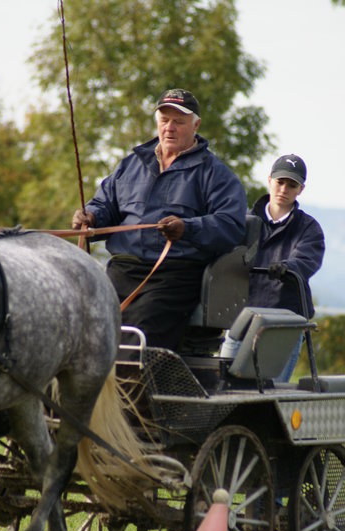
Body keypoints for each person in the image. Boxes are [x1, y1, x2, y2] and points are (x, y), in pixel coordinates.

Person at [72, 88, 247, 350]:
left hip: (174, 278)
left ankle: (131, 390)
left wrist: (188, 229)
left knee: (135, 336)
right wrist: (92, 216)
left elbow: (231, 226)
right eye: (164, 120)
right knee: (82, 324)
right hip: (122, 270)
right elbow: (105, 205)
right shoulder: (130, 164)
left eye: (178, 121)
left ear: (196, 125)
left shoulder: (215, 174)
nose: (169, 128)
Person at [220, 153, 325, 382]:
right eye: (280, 182)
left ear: (301, 189)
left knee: (270, 393)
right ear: (270, 180)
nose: (284, 189)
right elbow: (227, 258)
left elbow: (306, 261)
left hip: (284, 325)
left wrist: (287, 267)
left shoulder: (309, 229)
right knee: (225, 385)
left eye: (292, 184)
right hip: (241, 320)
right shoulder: (244, 222)